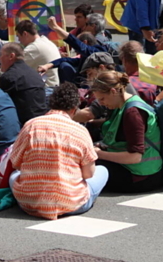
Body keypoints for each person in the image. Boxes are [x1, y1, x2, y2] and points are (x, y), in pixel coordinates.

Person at [8, 83, 107, 220]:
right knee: (103, 170)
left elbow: (16, 163)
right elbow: (88, 174)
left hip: (29, 203)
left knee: (14, 176)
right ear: (74, 109)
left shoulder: (31, 125)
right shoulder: (80, 131)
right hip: (71, 203)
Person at [91, 70, 163, 193]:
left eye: (102, 99)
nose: (101, 104)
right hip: (137, 170)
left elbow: (135, 157)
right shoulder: (123, 105)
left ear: (113, 92)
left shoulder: (133, 112)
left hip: (141, 175)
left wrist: (99, 154)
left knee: (85, 169)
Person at [0, 43, 47, 125]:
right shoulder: (34, 73)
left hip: (23, 125)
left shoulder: (9, 77)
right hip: (41, 121)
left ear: (11, 56)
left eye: (1, 55)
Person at [16, 19, 60, 87]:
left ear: (25, 34)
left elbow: (14, 69)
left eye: (18, 36)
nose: (19, 40)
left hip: (47, 89)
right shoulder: (46, 41)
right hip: (55, 85)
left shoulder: (33, 48)